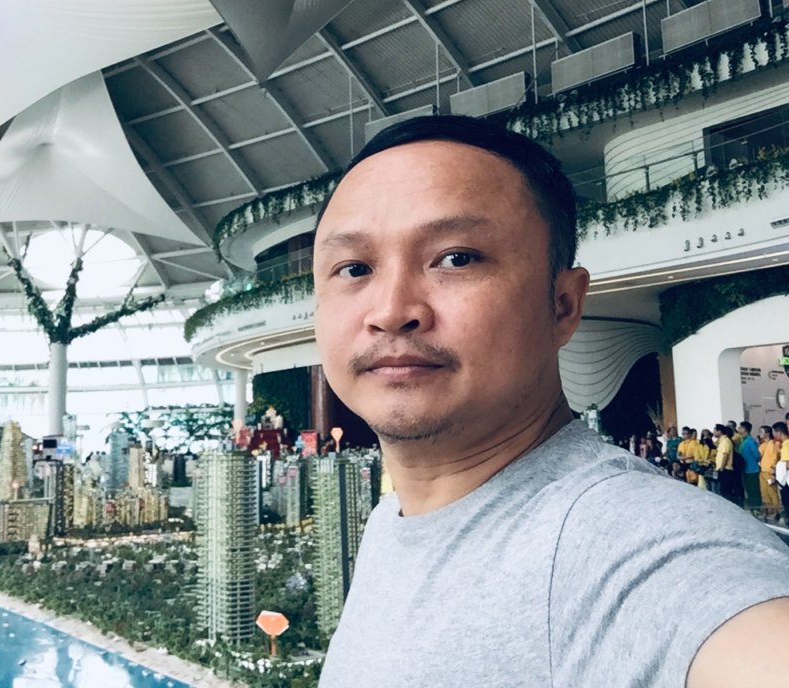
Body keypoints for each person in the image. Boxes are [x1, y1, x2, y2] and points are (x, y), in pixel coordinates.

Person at [311, 115, 789, 687]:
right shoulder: (391, 522)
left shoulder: (635, 545)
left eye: (457, 258)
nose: (391, 311)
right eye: (354, 268)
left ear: (562, 304)